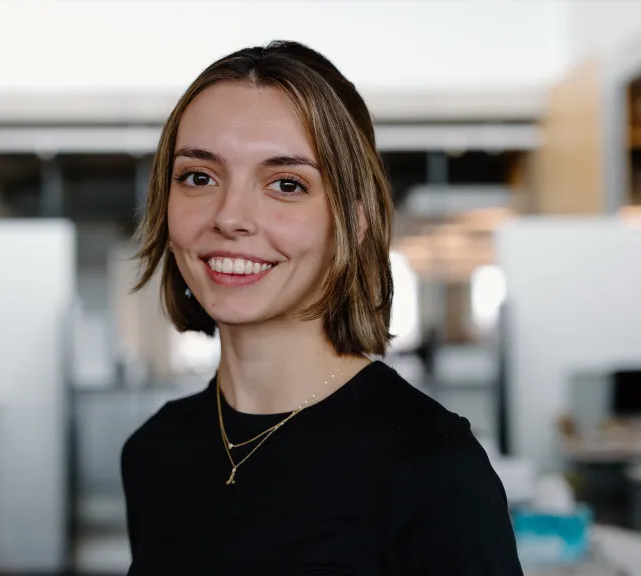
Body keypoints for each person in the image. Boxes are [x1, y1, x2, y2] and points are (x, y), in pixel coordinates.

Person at [121, 40, 523, 575]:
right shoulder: (154, 452)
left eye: (286, 184)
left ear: (353, 225)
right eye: (199, 177)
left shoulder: (431, 467)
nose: (230, 217)